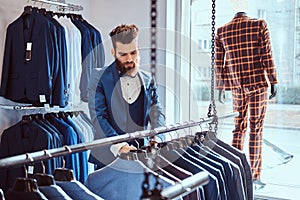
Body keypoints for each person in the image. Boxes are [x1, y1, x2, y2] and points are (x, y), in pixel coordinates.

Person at [214, 0, 278, 189]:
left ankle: (235, 171)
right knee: (256, 129)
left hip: (236, 86)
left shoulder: (222, 31)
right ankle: (255, 175)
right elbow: (267, 55)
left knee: (238, 128)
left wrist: (220, 87)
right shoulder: (259, 25)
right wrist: (273, 80)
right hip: (258, 84)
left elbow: (219, 63)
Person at [88, 24, 165, 168]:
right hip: (108, 158)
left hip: (140, 156)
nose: (130, 59)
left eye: (133, 53)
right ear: (113, 52)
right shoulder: (98, 77)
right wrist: (119, 145)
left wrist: (157, 136)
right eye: (123, 54)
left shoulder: (149, 79)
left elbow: (157, 112)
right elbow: (98, 117)